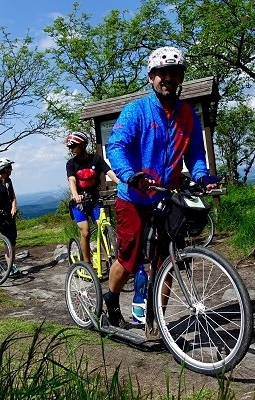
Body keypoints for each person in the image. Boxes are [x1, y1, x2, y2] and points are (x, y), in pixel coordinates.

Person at [105, 46, 218, 329]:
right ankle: (111, 300)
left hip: (167, 197)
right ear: (151, 77)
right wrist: (131, 175)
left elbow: (195, 154)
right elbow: (116, 146)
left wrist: (202, 176)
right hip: (133, 196)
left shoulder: (188, 114)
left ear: (180, 78)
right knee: (129, 260)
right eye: (162, 73)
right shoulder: (136, 111)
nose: (168, 78)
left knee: (167, 258)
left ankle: (157, 321)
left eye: (175, 73)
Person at [65, 131, 119, 263]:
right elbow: (72, 180)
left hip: (93, 200)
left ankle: (109, 261)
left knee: (101, 228)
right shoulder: (71, 164)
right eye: (69, 147)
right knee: (85, 232)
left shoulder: (96, 159)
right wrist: (75, 195)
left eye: (74, 146)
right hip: (79, 203)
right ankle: (87, 264)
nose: (71, 150)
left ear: (83, 144)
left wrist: (122, 184)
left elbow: (109, 172)